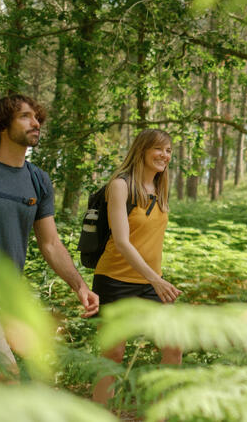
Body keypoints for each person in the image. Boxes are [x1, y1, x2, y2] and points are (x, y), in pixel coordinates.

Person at [0, 95, 99, 375]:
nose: (35, 123)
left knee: (39, 371)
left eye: (37, 118)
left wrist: (80, 286)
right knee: (6, 377)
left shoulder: (38, 179)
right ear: (2, 124)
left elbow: (50, 243)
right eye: (25, 116)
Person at [91, 129, 181, 404]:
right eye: (158, 149)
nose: (164, 156)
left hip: (151, 282)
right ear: (141, 150)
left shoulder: (161, 187)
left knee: (174, 345)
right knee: (113, 355)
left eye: (168, 151)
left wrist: (155, 280)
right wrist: (156, 279)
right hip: (115, 279)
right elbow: (121, 241)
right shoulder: (120, 185)